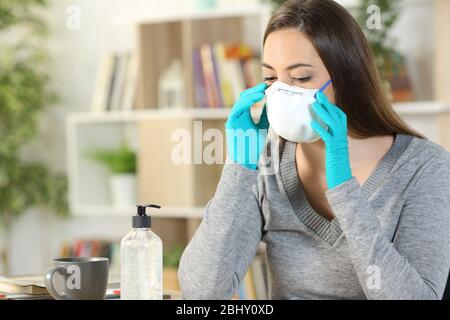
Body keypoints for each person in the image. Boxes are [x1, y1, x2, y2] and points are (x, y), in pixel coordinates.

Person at [178, 0, 450, 299]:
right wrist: (238, 168)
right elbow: (201, 293)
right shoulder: (267, 164)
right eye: (270, 77)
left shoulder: (425, 166)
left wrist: (344, 190)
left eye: (301, 78)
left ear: (347, 77)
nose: (281, 91)